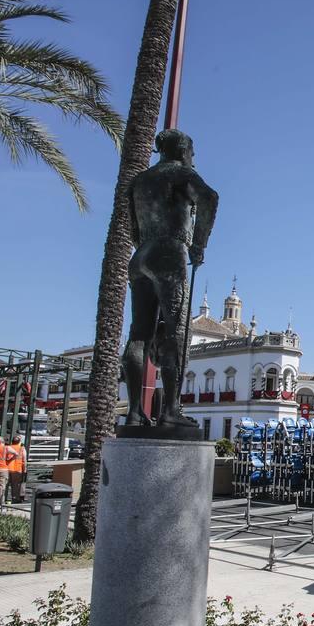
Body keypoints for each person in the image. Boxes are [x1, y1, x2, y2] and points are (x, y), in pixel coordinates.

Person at [122, 129, 218, 431]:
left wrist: (146, 245)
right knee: (176, 331)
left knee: (139, 335)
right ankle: (171, 410)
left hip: (140, 257)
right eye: (192, 151)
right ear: (183, 150)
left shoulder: (139, 181)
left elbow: (133, 226)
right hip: (169, 251)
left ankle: (135, 412)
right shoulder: (182, 174)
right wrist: (198, 245)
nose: (193, 157)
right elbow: (210, 199)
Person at [8, 435, 27, 503]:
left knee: (4, 484)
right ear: (19, 442)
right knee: (15, 485)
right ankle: (15, 498)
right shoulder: (22, 449)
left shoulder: (8, 447)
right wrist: (24, 469)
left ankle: (2, 498)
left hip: (7, 468)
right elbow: (24, 460)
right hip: (17, 469)